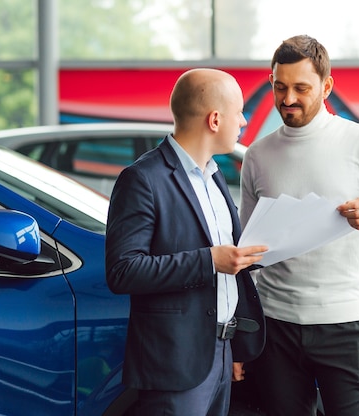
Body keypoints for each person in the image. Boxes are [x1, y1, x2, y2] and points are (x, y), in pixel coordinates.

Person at [239, 35, 359, 416]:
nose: (288, 98)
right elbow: (248, 254)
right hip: (276, 329)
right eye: (279, 86)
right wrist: (242, 334)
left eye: (301, 88)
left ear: (326, 86)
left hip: (345, 327)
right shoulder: (257, 155)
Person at [105, 68, 268, 416]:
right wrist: (210, 260)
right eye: (239, 112)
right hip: (175, 364)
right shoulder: (143, 179)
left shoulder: (214, 175)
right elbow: (123, 270)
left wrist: (233, 348)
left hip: (222, 356)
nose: (243, 121)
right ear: (214, 119)